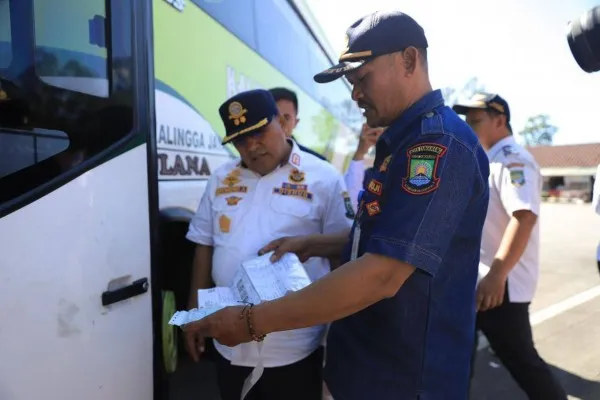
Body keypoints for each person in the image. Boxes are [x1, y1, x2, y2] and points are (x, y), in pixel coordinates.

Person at [183, 10, 490, 399]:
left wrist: (250, 321)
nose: (355, 94)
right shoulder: (401, 142)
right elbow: (381, 239)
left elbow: (383, 273)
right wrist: (314, 244)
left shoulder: (437, 146)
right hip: (363, 364)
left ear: (410, 59)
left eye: (361, 79)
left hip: (403, 380)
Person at [183, 89, 354, 400]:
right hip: (229, 342)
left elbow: (346, 247)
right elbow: (203, 245)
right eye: (239, 139)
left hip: (294, 345)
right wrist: (194, 314)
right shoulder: (221, 178)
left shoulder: (323, 178)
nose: (251, 145)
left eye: (259, 132)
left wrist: (308, 244)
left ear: (281, 123)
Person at [453, 93, 567, 400]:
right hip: (485, 283)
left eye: (476, 121)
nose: (469, 127)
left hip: (501, 288)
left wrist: (497, 274)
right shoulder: (490, 159)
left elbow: (524, 216)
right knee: (458, 359)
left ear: (500, 121)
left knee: (522, 362)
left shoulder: (512, 160)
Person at [269, 87, 383, 207]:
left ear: (296, 122)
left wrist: (360, 153)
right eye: (274, 116)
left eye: (286, 118)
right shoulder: (247, 159)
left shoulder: (320, 168)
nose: (279, 123)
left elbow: (346, 208)